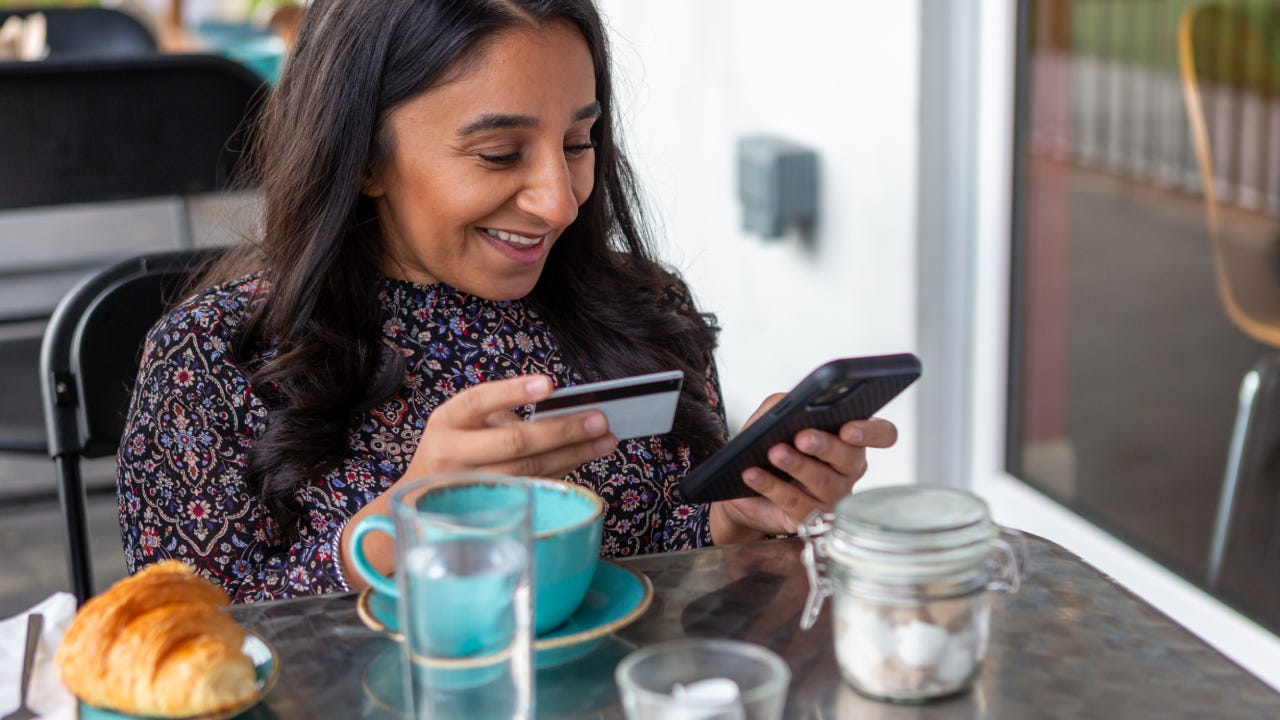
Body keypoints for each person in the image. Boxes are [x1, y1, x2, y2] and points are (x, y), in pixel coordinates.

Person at [116, 0, 898, 603]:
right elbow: (192, 652)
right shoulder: (212, 360)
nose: (559, 202)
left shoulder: (644, 313)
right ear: (361, 157)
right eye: (498, 154)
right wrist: (388, 537)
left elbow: (672, 577)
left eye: (579, 142)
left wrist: (731, 523)